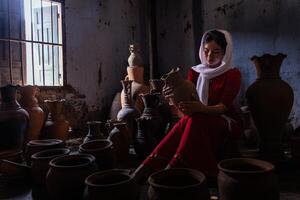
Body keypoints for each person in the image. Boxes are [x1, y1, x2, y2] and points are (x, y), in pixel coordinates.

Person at [132, 29, 242, 182]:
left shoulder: (232, 74)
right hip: (198, 118)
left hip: (225, 120)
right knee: (190, 120)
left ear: (226, 52)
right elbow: (183, 111)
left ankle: (170, 166)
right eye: (206, 51)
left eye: (216, 52)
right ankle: (151, 166)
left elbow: (223, 107)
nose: (209, 56)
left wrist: (199, 108)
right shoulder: (195, 72)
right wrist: (171, 97)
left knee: (195, 119)